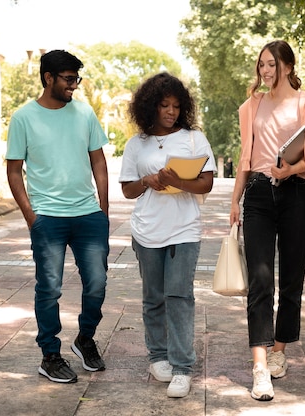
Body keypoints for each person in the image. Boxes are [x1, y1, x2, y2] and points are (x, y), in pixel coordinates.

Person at [229, 40, 305, 401]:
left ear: (287, 66)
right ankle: (259, 368)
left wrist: (290, 170)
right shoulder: (251, 105)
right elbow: (245, 156)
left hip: (295, 195)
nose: (265, 72)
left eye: (271, 65)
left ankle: (279, 352)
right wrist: (235, 199)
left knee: (291, 279)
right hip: (256, 193)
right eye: (261, 66)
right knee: (260, 279)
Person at [6, 50, 110, 384]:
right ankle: (50, 354)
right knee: (49, 288)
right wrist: (30, 215)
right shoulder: (24, 118)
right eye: (68, 79)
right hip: (48, 217)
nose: (74, 85)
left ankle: (85, 338)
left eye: (77, 78)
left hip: (88, 215)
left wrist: (103, 209)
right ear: (48, 77)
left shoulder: (84, 113)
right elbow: (14, 170)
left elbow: (98, 161)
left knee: (97, 283)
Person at [119, 72, 216, 398]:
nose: (171, 112)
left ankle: (182, 366)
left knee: (179, 297)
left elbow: (206, 183)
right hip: (146, 231)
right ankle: (157, 356)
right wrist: (149, 181)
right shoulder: (137, 144)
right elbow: (128, 190)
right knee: (153, 298)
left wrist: (177, 181)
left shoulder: (193, 139)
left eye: (176, 106)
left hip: (184, 230)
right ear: (151, 106)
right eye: (164, 105)